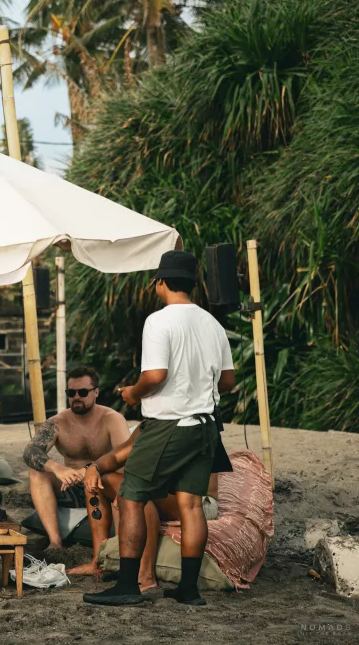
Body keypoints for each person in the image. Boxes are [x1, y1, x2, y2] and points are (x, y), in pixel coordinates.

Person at [83, 250, 235, 607]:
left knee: (131, 497)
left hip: (169, 425)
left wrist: (131, 394)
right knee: (191, 505)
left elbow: (155, 376)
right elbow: (227, 381)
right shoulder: (212, 324)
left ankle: (127, 586)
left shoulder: (159, 321)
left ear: (161, 282)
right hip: (205, 426)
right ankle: (188, 590)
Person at [21, 367, 154, 583]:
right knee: (37, 471)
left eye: (82, 392)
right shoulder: (57, 422)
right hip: (70, 486)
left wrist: (89, 471)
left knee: (122, 481)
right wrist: (58, 468)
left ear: (96, 392)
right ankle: (55, 542)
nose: (76, 398)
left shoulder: (111, 418)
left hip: (101, 483)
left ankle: (117, 554)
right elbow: (30, 452)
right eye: (71, 393)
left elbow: (124, 460)